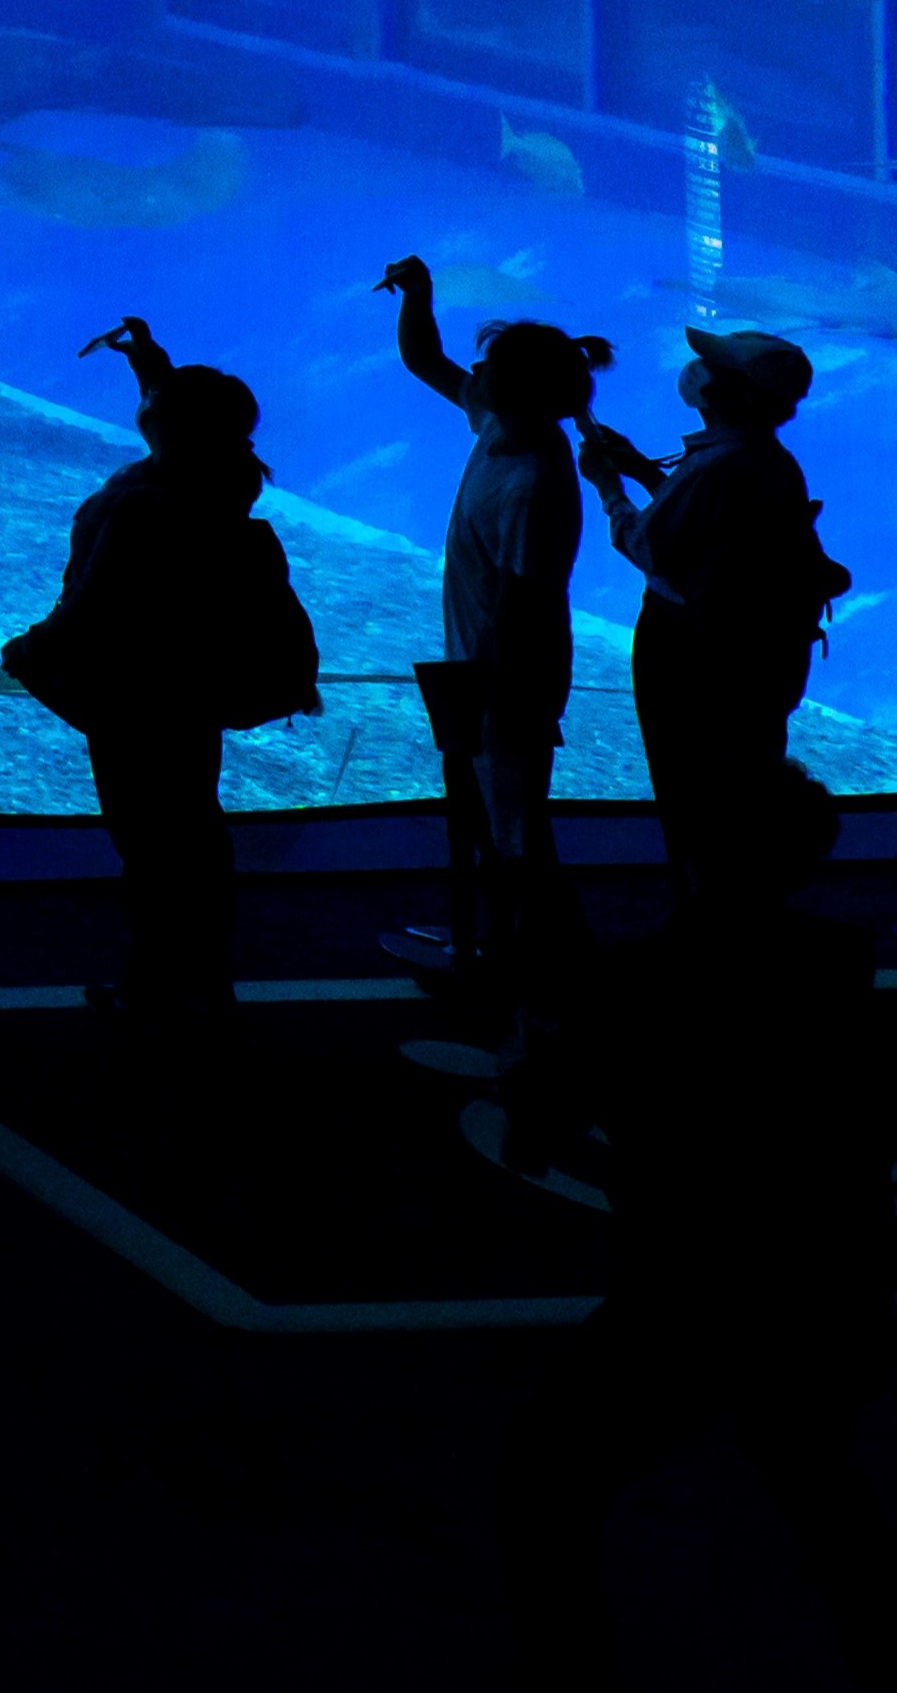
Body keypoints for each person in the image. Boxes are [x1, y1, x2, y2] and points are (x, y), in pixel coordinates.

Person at [496, 882, 897, 1670]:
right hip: (830, 1293)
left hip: (683, 1300)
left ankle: (571, 1674)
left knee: (544, 1490)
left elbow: (537, 1136)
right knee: (817, 1477)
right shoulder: (838, 971)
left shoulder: (630, 983)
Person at [0, 324, 319, 1022]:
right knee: (195, 831)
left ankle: (153, 985)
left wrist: (25, 650)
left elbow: (92, 606)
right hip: (192, 697)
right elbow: (178, 412)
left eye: (158, 407)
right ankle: (204, 976)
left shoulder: (146, 507)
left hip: (134, 700)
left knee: (149, 845)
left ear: (170, 427)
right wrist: (146, 360)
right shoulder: (218, 482)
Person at [387, 261, 599, 987]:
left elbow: (525, 602)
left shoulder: (532, 477)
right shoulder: (502, 428)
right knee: (493, 820)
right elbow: (423, 359)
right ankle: (502, 942)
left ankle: (537, 963)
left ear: (507, 389)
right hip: (483, 670)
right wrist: (418, 295)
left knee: (514, 832)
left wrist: (489, 694)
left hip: (506, 678)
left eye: (489, 365)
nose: (472, 370)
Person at [596, 326, 846, 927]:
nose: (698, 371)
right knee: (743, 784)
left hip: (689, 652)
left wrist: (608, 488)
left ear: (735, 391)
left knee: (691, 787)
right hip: (750, 654)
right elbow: (708, 533)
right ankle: (745, 912)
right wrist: (637, 468)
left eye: (712, 366)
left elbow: (652, 545)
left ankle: (706, 918)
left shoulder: (719, 466)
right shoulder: (765, 459)